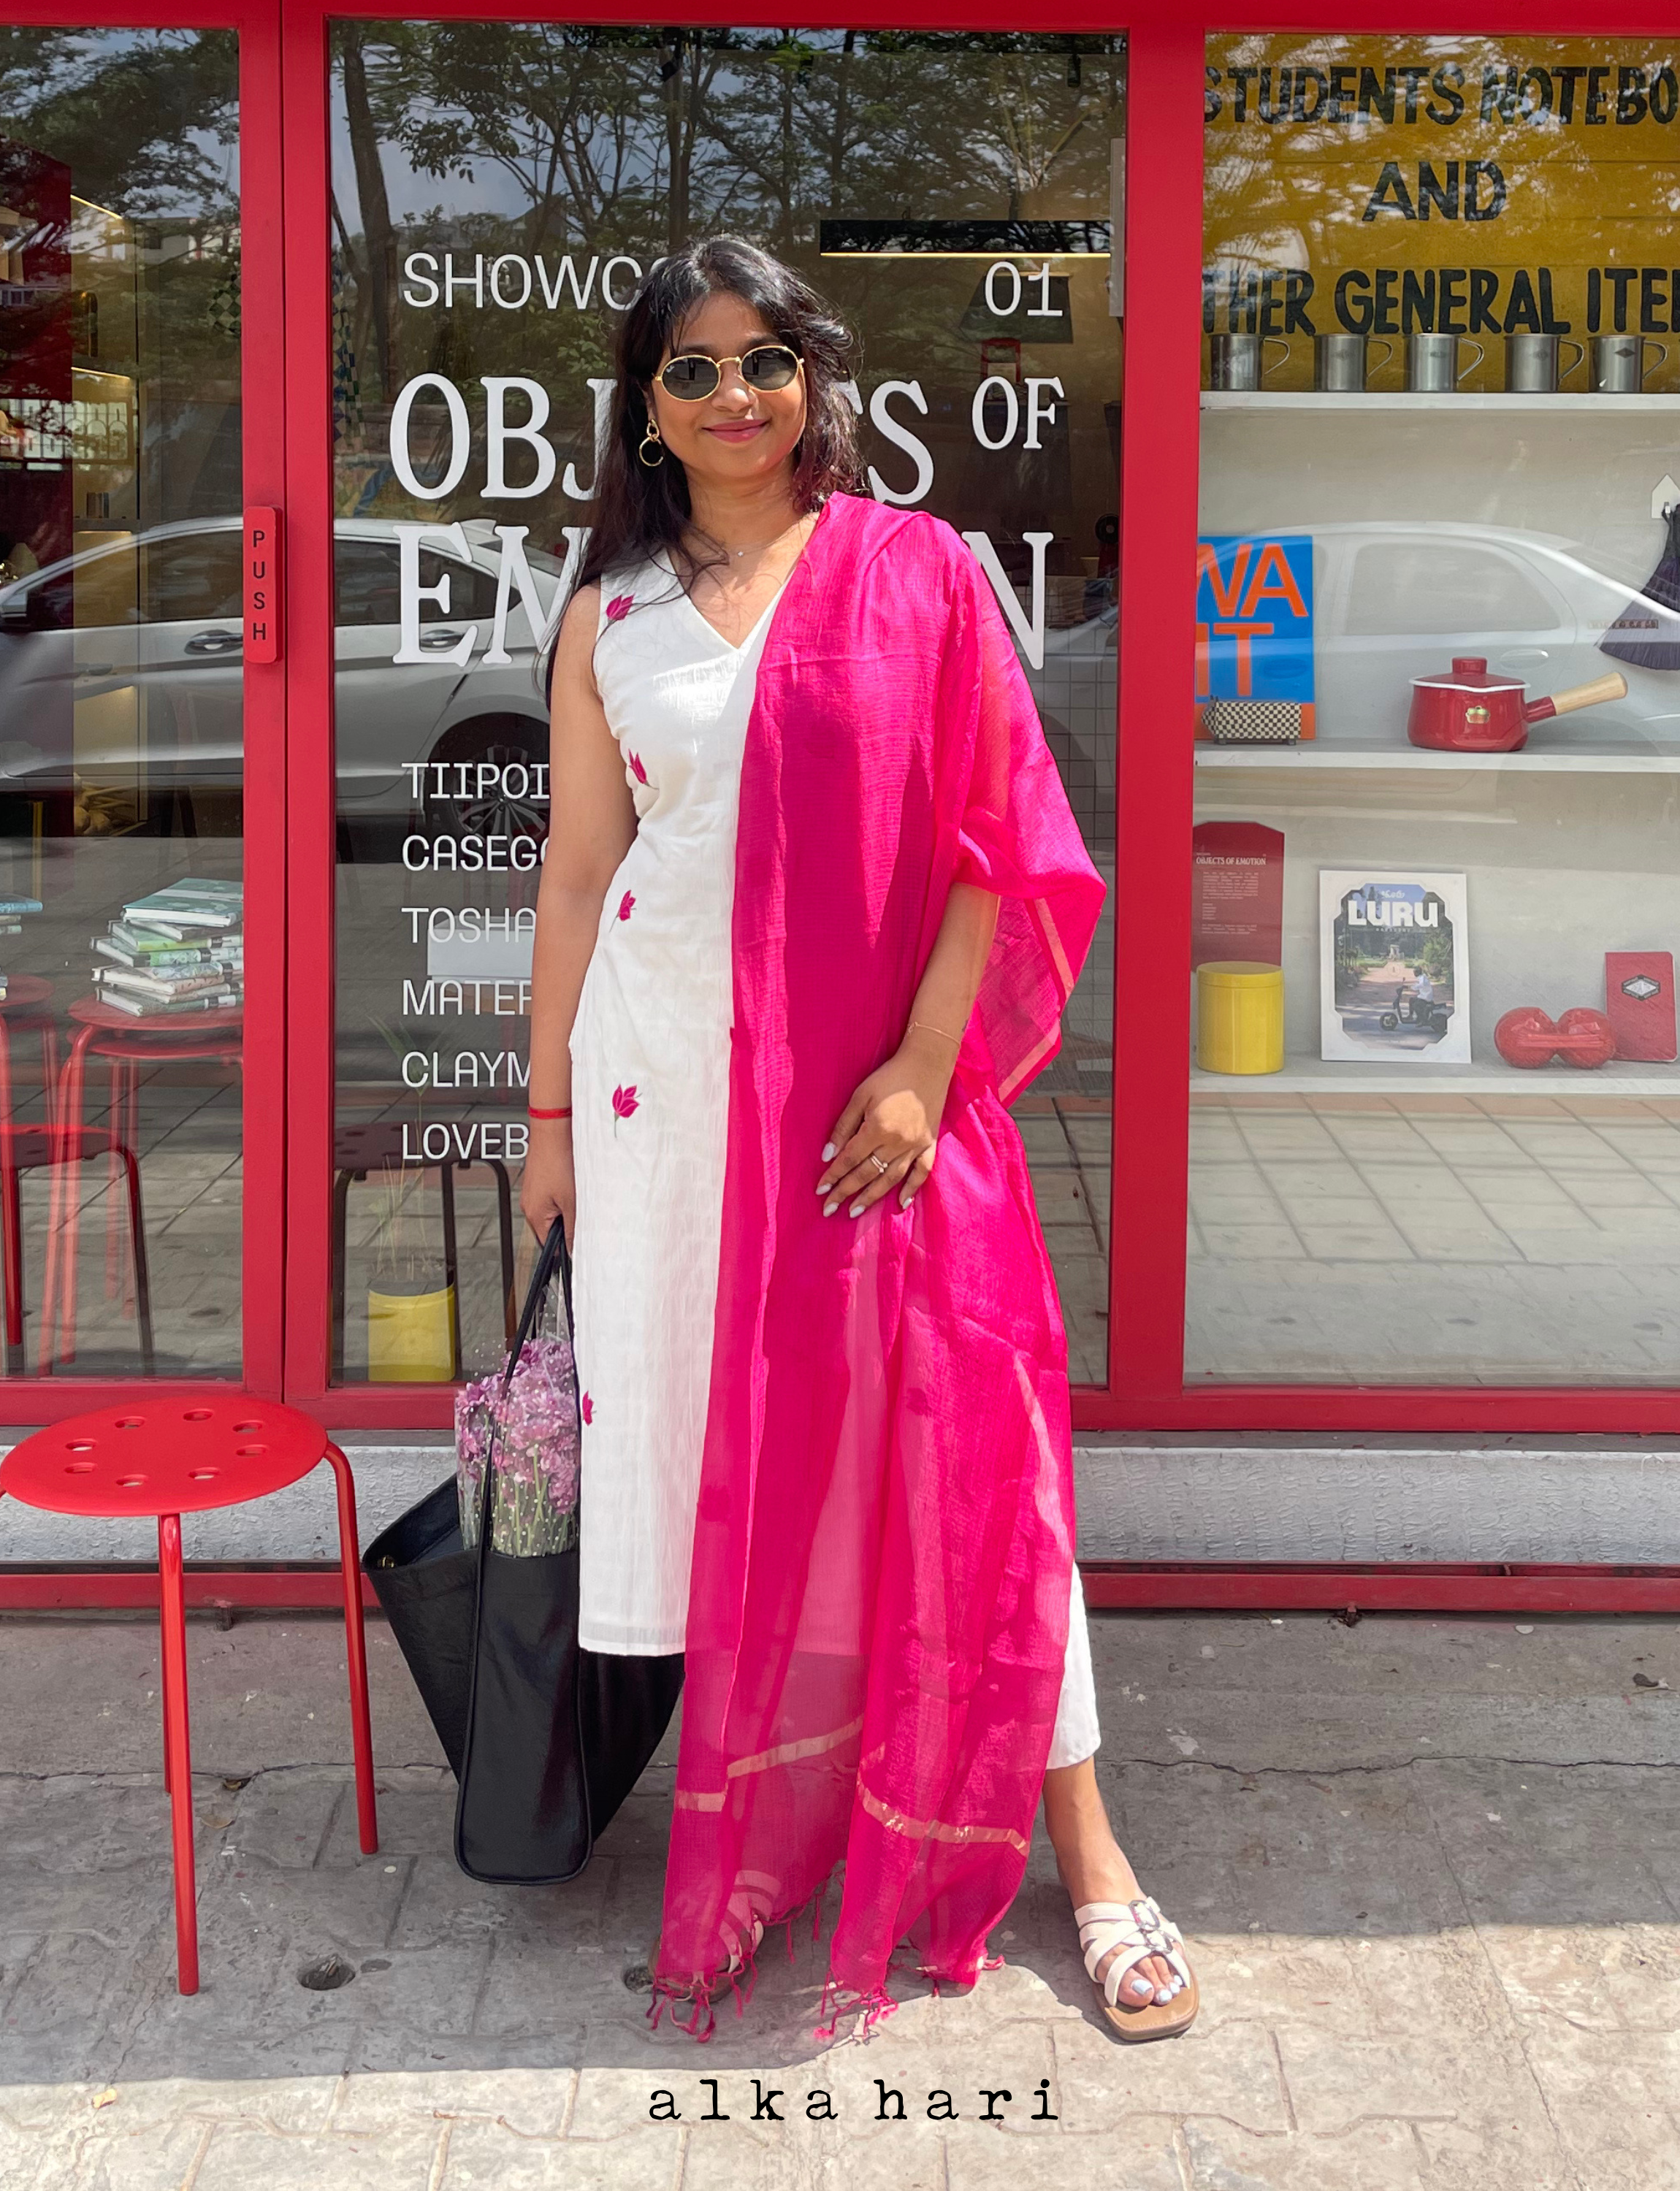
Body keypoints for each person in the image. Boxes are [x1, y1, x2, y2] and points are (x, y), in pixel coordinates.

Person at [521, 235, 1196, 2042]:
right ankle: (764, 1842)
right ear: (646, 409)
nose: (733, 395)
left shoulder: (918, 572)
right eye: (690, 369)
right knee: (740, 1476)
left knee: (966, 1461)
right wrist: (548, 1113)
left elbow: (992, 835)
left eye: (764, 359)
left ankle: (1092, 1857)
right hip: (667, 1103)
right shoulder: (610, 615)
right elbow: (579, 874)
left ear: (812, 378)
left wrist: (920, 1063)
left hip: (871, 1113)